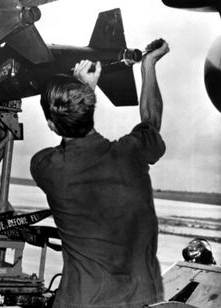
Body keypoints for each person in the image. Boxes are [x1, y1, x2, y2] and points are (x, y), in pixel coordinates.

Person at [30, 39, 170, 308]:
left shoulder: (46, 167)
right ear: (90, 109)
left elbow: (69, 141)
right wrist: (148, 65)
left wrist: (84, 91)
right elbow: (151, 121)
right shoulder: (132, 153)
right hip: (144, 301)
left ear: (51, 125)